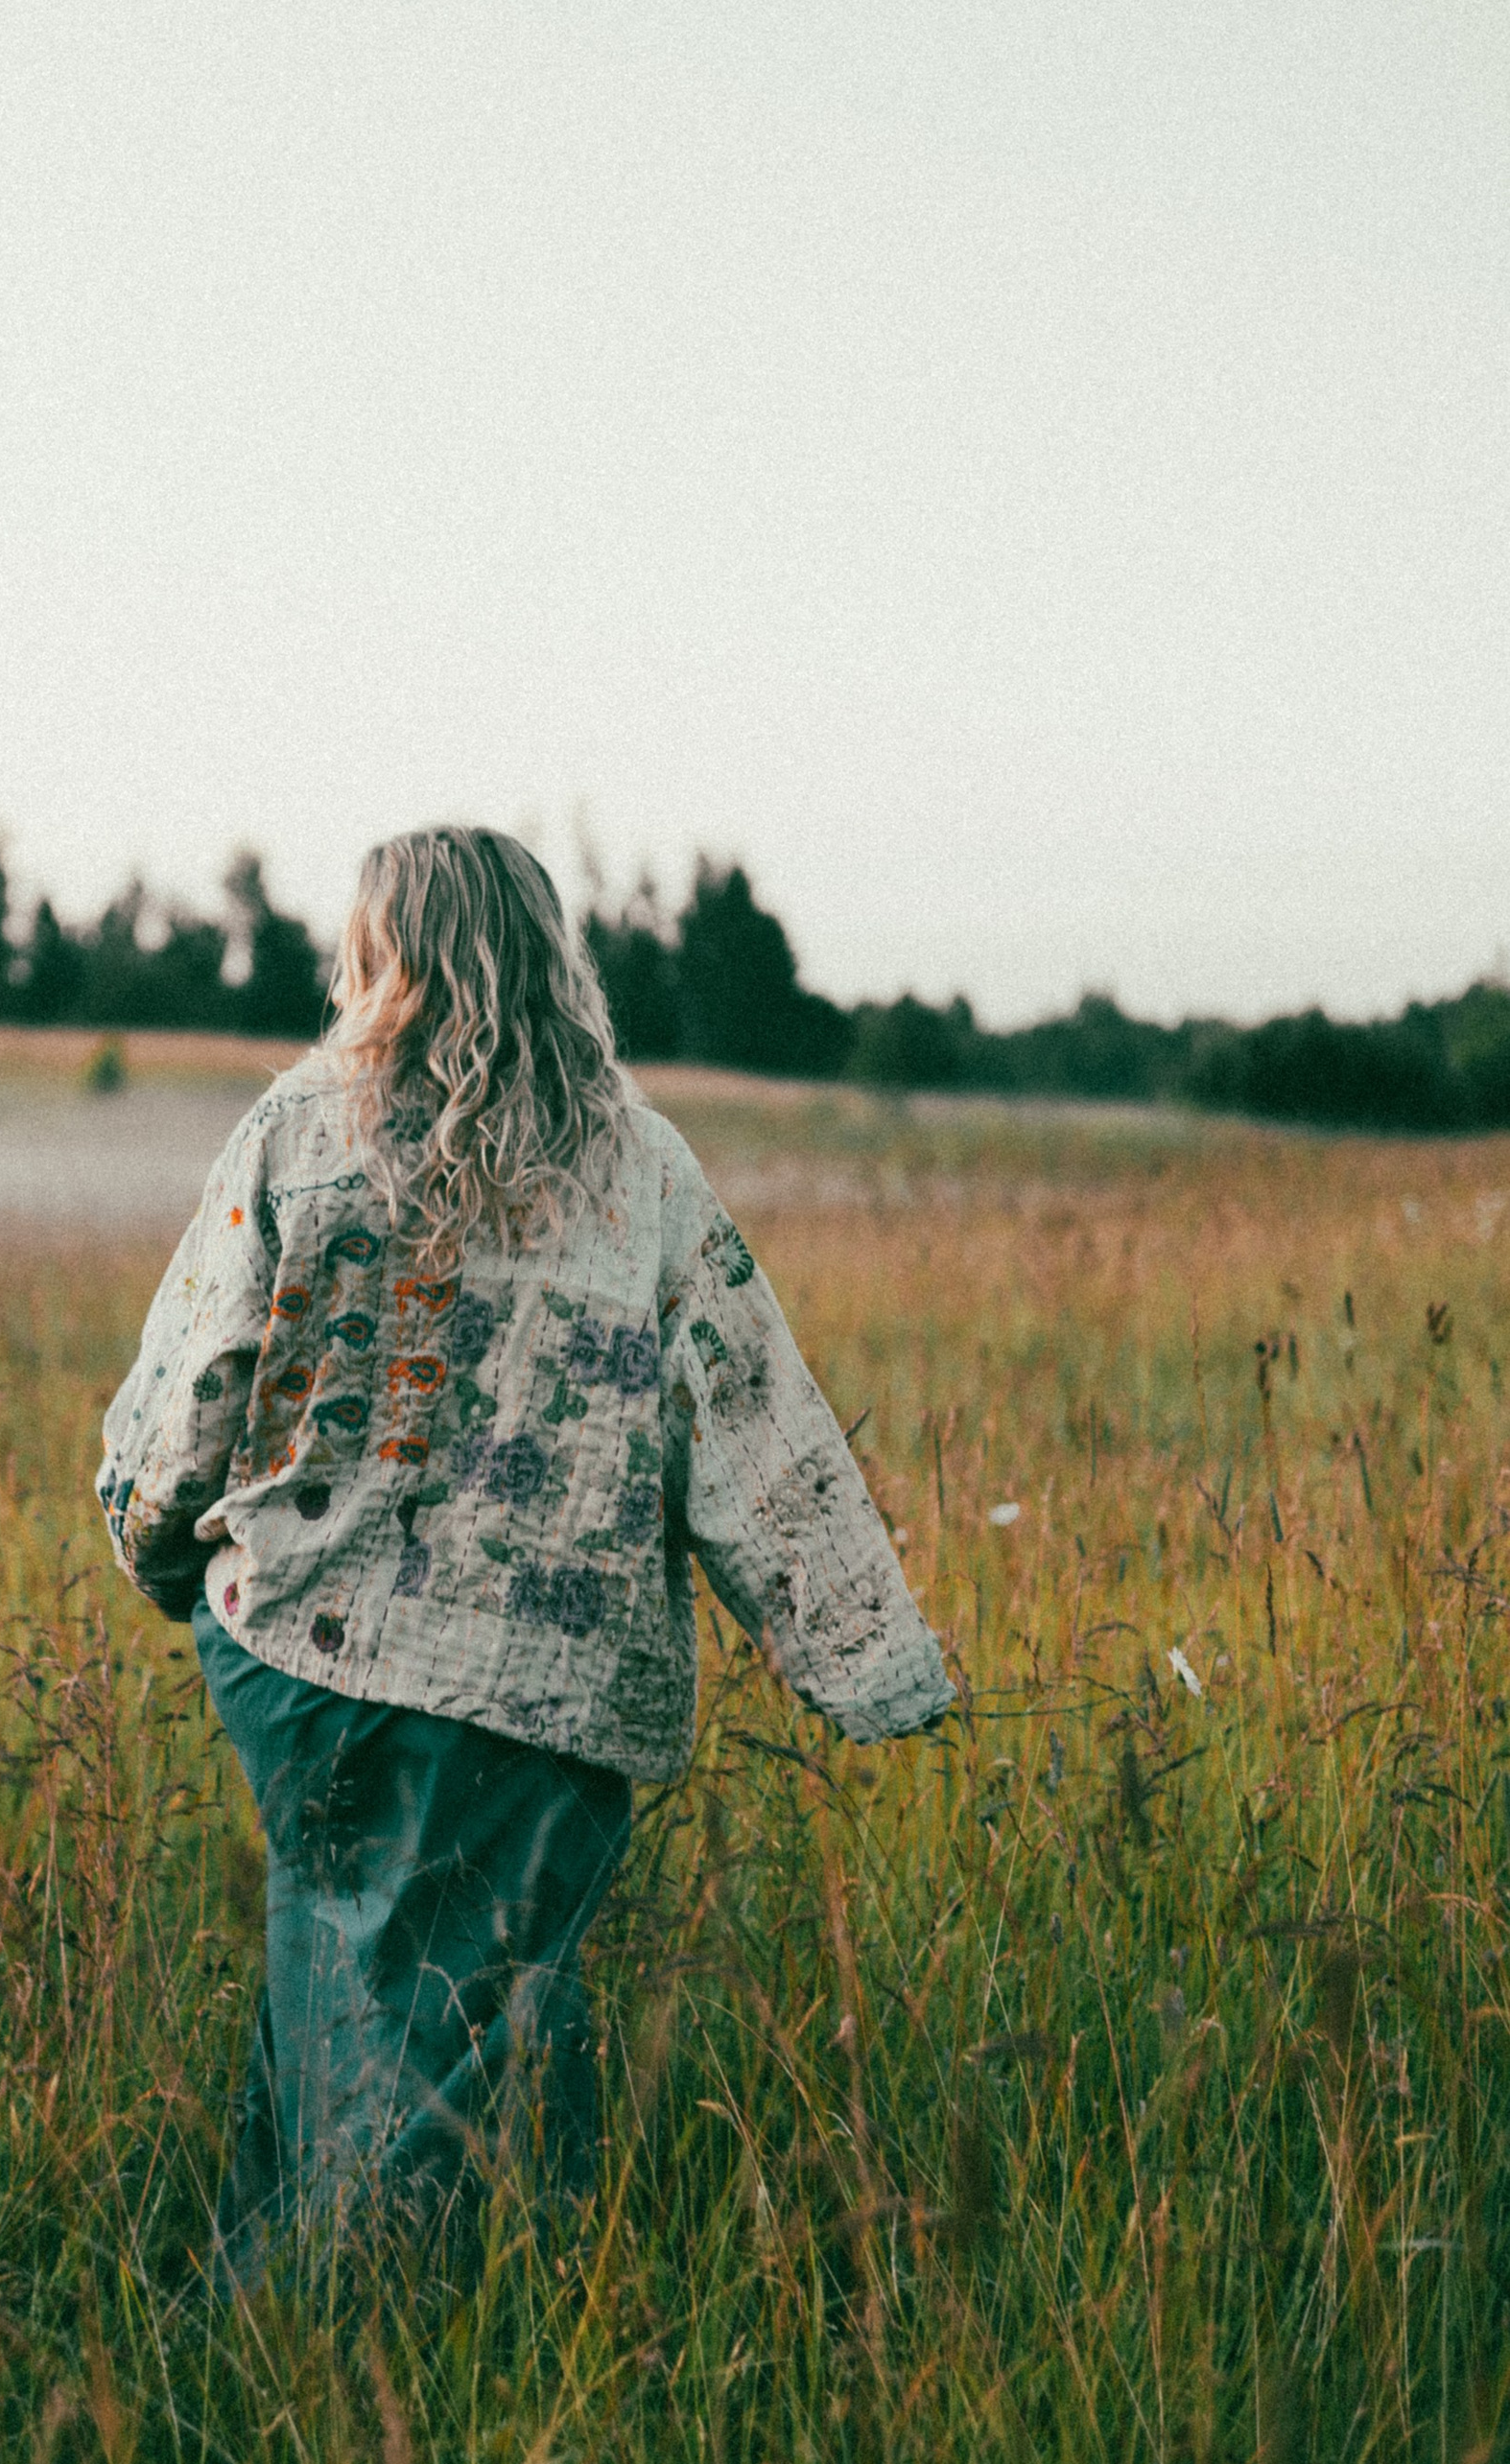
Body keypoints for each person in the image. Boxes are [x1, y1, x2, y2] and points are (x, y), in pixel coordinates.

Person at [97, 826, 949, 2282]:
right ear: (551, 951)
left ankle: (282, 2322)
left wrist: (156, 1541)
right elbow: (753, 1420)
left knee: (348, 1979)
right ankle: (375, 2335)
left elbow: (194, 1389)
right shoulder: (642, 1163)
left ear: (378, 954)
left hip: (307, 1656)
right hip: (551, 1692)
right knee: (452, 2025)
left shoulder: (302, 1127)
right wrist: (867, 1661)